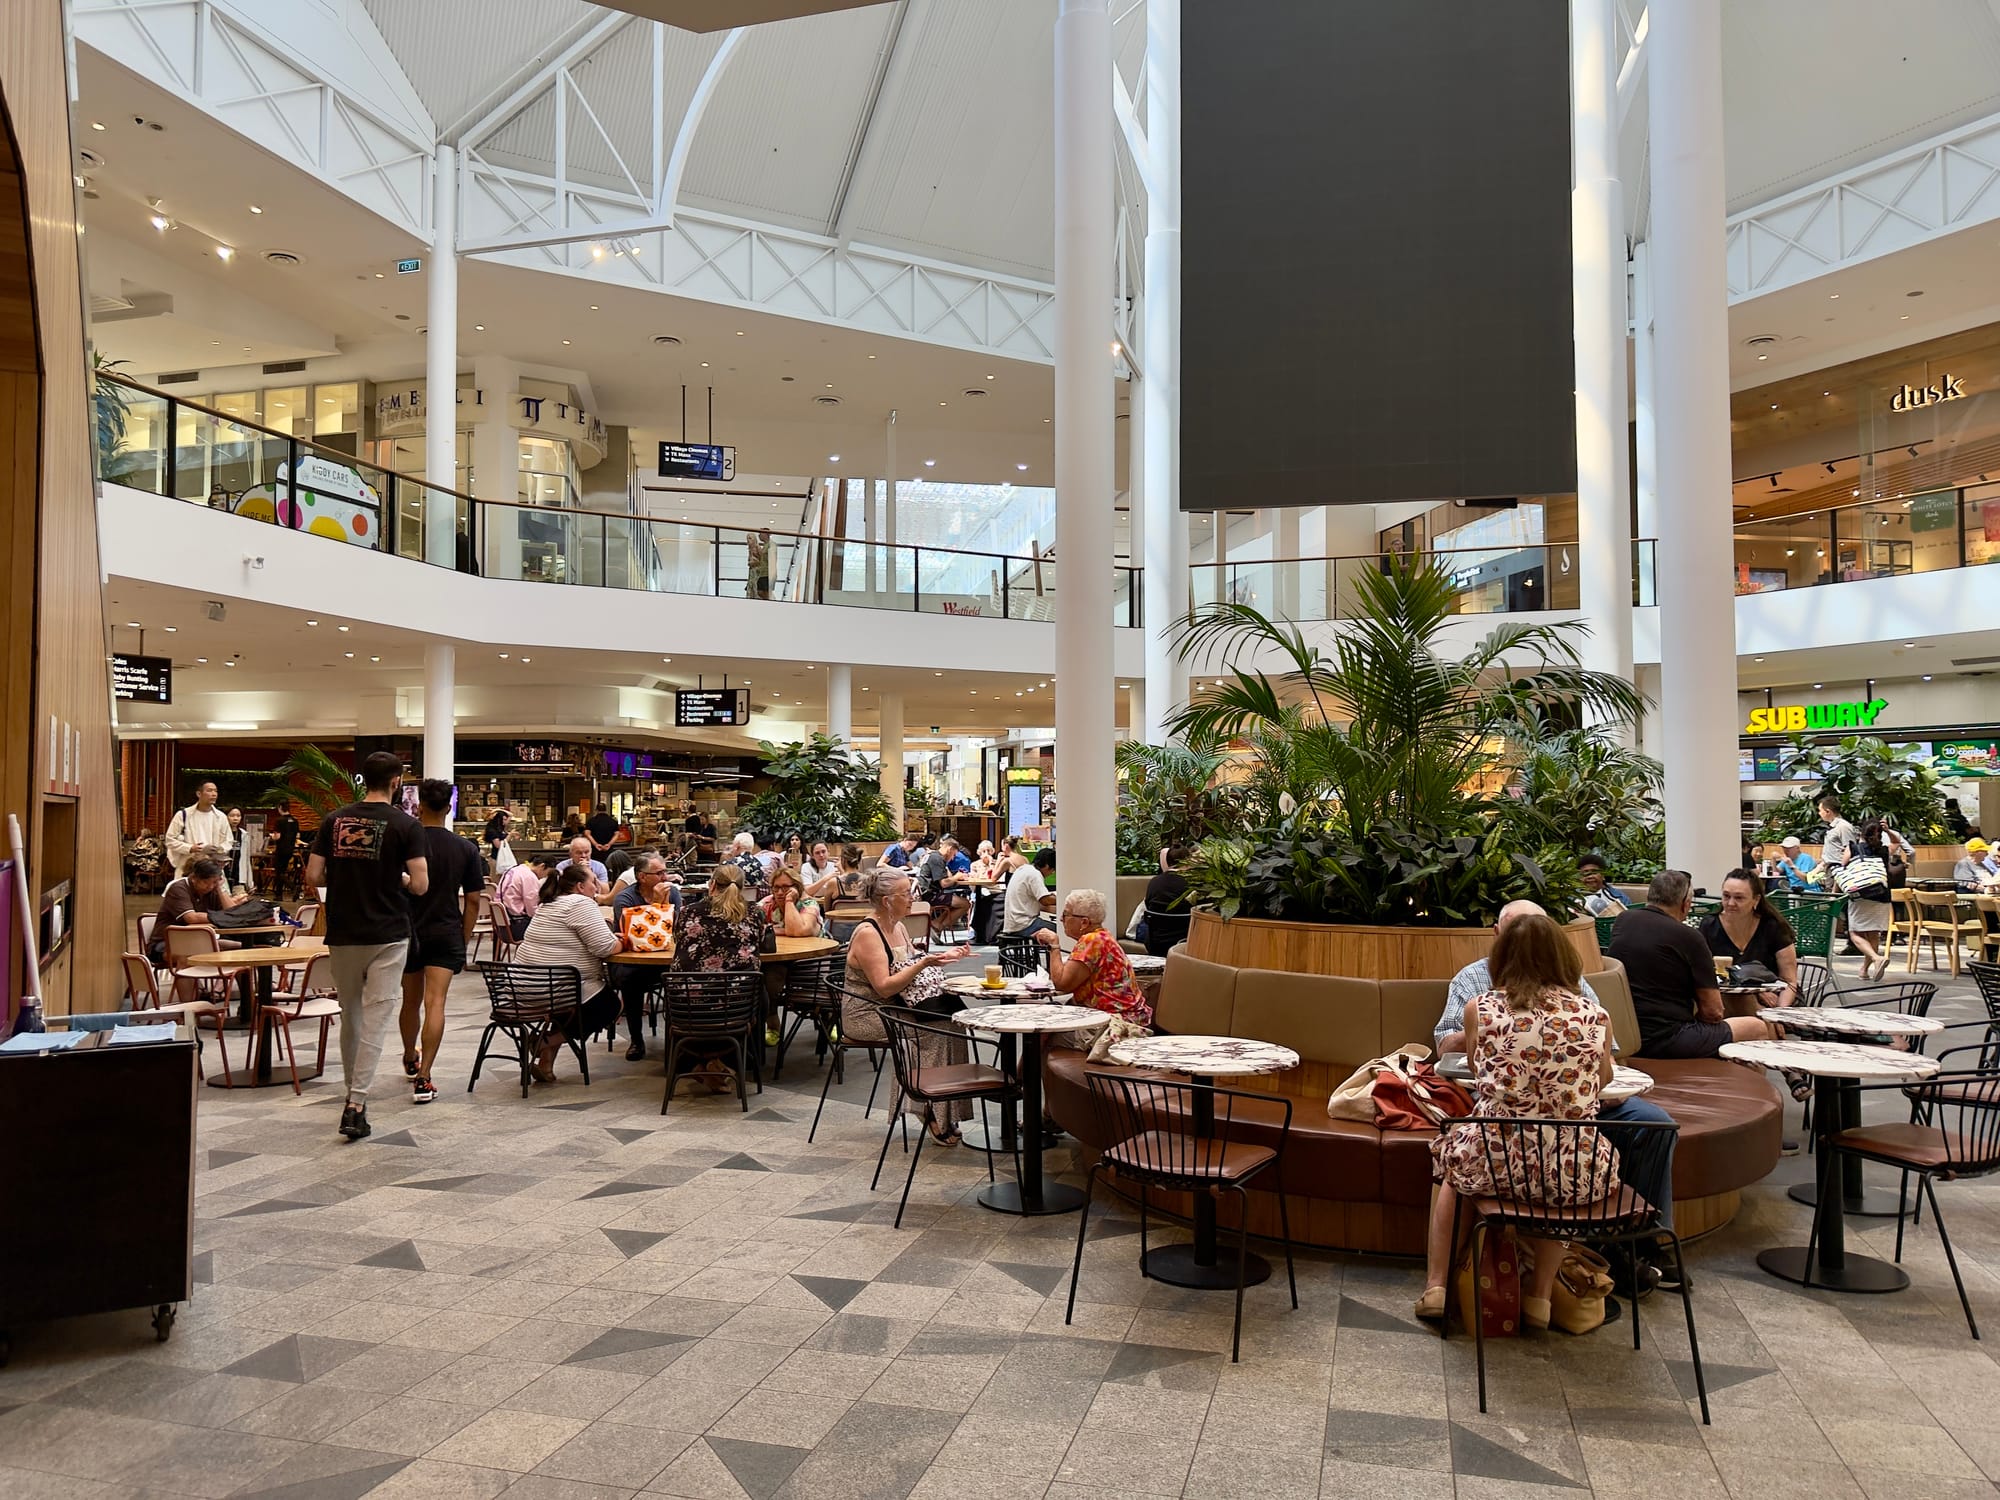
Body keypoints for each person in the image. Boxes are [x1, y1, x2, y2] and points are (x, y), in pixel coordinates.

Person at [1417, 913, 1619, 1328]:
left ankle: (1436, 1287)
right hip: (1574, 1170)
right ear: (1564, 957)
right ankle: (1539, 1299)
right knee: (1561, 1186)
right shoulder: (1594, 1016)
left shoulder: (1483, 1008)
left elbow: (1476, 1066)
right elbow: (1604, 1079)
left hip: (1497, 1161)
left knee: (1453, 1169)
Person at [303, 750, 429, 1142]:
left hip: (344, 930)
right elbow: (422, 884)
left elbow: (314, 874)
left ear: (362, 780)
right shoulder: (407, 825)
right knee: (378, 1015)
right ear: (396, 783)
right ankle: (356, 1103)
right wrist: (401, 881)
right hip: (389, 932)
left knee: (351, 1012)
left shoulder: (333, 820)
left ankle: (350, 1094)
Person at [839, 866, 973, 1144]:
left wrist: (941, 958)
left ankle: (948, 1107)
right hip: (866, 1012)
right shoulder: (868, 933)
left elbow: (909, 965)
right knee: (930, 1032)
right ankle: (928, 1108)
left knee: (953, 1023)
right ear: (887, 901)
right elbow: (885, 986)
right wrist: (925, 961)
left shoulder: (897, 926)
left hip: (894, 1006)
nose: (913, 898)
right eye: (906, 893)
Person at [1610, 870, 1774, 1059]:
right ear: (1685, 904)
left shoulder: (1623, 921)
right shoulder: (1689, 937)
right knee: (1757, 1028)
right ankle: (1744, 1087)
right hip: (1667, 1040)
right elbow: (1714, 1012)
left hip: (1625, 1034)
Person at [397, 779, 485, 1104]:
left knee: (410, 1001)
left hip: (408, 930)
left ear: (419, 807)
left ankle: (410, 1055)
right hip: (445, 930)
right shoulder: (465, 848)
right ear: (448, 809)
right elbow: (473, 900)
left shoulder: (405, 845)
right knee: (436, 1002)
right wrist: (463, 937)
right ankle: (425, 1078)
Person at [1435, 900, 1600, 1054]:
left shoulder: (1573, 982)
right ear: (1497, 934)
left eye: (1535, 938)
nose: (1525, 946)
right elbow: (1445, 1049)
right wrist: (1496, 1024)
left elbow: (1604, 1051)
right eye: (1515, 938)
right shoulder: (1472, 979)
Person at [512, 864, 626, 1082]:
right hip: (551, 987)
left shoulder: (549, 903)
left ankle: (545, 1066)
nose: (598, 887)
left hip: (522, 985)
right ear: (581, 886)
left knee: (568, 1005)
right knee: (610, 1006)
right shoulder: (581, 903)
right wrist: (621, 942)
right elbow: (605, 948)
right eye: (594, 882)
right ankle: (544, 1042)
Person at [1034, 888, 1154, 1053]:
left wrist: (1054, 945)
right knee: (1049, 1022)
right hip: (1128, 1018)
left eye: (1066, 914)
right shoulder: (1101, 937)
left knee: (1041, 1033)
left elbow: (1061, 984)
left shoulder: (1091, 941)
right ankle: (1021, 1078)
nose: (1061, 919)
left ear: (1084, 922)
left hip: (1116, 1025)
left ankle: (1021, 1078)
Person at [611, 851, 680, 1061]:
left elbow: (678, 929)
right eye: (659, 873)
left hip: (665, 958)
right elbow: (637, 935)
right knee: (630, 979)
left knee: (682, 976)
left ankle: (677, 1038)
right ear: (642, 876)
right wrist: (657, 906)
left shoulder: (673, 892)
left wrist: (666, 904)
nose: (664, 878)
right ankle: (636, 1040)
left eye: (665, 872)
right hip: (633, 960)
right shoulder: (625, 898)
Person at [1700, 868, 1801, 1005]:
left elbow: (1789, 981)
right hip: (1728, 999)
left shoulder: (1772, 926)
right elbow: (1702, 974)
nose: (1730, 903)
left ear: (1756, 900)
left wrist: (1779, 1013)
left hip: (1778, 997)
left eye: (1739, 898)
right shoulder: (1709, 926)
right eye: (1726, 896)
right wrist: (1755, 992)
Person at [147, 857, 246, 965]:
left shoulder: (212, 890)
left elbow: (232, 913)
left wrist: (220, 889)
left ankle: (232, 981)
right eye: (206, 883)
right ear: (194, 878)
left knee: (241, 950)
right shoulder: (178, 888)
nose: (210, 886)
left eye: (214, 882)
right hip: (165, 943)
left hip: (198, 940)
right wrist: (220, 917)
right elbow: (191, 918)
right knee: (189, 956)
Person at [1840, 820, 1898, 981]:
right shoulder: (1884, 850)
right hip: (1882, 895)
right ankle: (1864, 970)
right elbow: (1897, 842)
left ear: (1861, 833)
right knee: (1873, 934)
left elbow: (1843, 867)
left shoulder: (1853, 848)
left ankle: (1876, 958)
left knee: (1855, 933)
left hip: (1861, 895)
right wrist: (1888, 831)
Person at [164, 780, 232, 878]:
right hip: (188, 866)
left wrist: (218, 849)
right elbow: (170, 840)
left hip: (213, 866)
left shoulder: (221, 817)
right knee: (186, 891)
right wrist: (190, 848)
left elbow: (228, 841)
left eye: (215, 791)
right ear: (199, 793)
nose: (214, 794)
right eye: (209, 791)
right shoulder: (183, 815)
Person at [496, 852, 555, 941]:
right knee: (553, 929)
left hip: (502, 927)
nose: (544, 877)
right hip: (516, 927)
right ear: (542, 866)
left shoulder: (513, 869)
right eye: (546, 874)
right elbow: (532, 910)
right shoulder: (529, 877)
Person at [1002, 847, 1059, 938]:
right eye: (1053, 870)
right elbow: (1045, 900)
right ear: (1047, 866)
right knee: (1061, 931)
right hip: (1025, 925)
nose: (1051, 873)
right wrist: (1063, 897)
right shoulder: (1035, 874)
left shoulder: (1024, 869)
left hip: (1013, 924)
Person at [762, 865, 826, 938]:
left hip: (813, 947)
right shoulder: (768, 902)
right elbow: (751, 925)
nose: (779, 892)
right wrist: (784, 930)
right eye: (776, 887)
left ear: (797, 887)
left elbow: (798, 931)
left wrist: (789, 900)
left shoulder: (809, 904)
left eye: (785, 887)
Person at [1577, 853, 1631, 917]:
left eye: (1594, 872)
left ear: (1603, 875)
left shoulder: (1619, 897)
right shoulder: (1571, 899)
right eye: (1585, 873)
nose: (1590, 877)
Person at [1818, 794, 1858, 868]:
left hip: (1839, 868)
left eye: (1820, 811)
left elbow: (1850, 849)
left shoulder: (1843, 826)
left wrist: (1842, 867)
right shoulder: (1831, 827)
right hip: (1829, 867)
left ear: (1828, 811)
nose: (1819, 813)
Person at [271, 804, 301, 899]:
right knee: (282, 871)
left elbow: (277, 836)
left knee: (279, 872)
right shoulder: (295, 821)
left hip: (281, 849)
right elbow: (298, 836)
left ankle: (293, 887)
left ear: (280, 807)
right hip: (290, 849)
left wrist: (272, 836)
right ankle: (279, 894)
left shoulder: (279, 821)